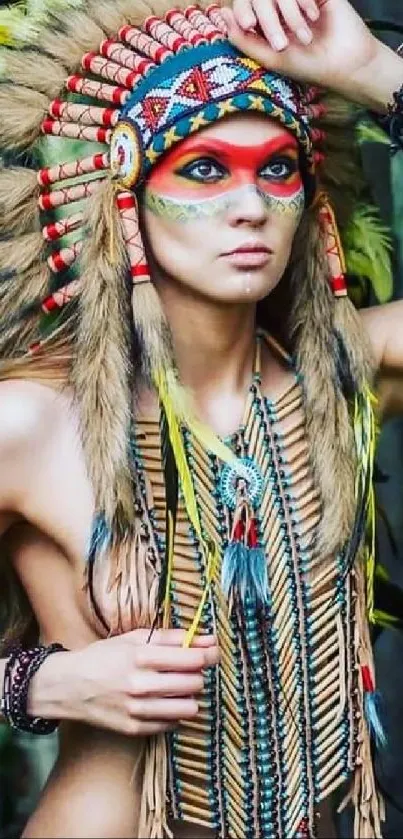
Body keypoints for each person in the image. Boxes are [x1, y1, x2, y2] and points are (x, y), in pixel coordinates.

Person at [1, 0, 403, 836]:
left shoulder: (345, 378)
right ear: (127, 192)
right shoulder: (37, 425)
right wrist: (37, 684)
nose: (250, 205)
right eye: (205, 169)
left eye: (278, 169)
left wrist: (372, 73)